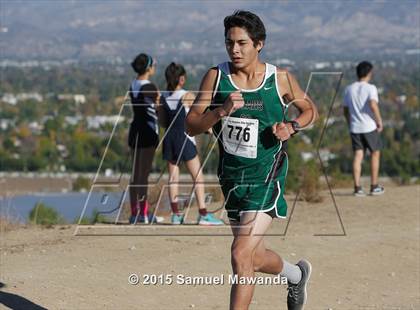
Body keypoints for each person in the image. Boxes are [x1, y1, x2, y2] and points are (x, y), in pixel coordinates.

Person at [185, 10, 318, 310]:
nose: (234, 49)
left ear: (259, 44)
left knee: (240, 254)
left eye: (242, 43)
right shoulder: (216, 76)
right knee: (252, 257)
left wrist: (291, 127)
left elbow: (311, 111)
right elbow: (190, 124)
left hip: (267, 176)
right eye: (229, 43)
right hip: (232, 179)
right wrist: (219, 112)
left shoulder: (279, 79)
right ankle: (296, 275)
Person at [160, 62, 223, 225]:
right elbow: (200, 117)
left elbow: (161, 121)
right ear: (182, 79)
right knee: (198, 177)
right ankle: (203, 214)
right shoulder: (187, 95)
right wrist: (210, 130)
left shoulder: (162, 96)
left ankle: (175, 215)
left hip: (169, 139)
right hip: (184, 139)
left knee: (173, 178)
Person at [127, 53, 163, 224]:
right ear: (148, 68)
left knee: (134, 175)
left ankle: (134, 213)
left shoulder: (133, 85)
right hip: (147, 133)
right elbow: (157, 111)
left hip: (135, 131)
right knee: (143, 176)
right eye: (153, 64)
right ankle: (145, 214)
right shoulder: (150, 87)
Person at [343, 61, 385, 196]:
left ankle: (357, 188)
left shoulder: (349, 89)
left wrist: (349, 122)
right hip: (369, 126)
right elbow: (373, 105)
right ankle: (374, 186)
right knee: (375, 153)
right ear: (369, 73)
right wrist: (379, 121)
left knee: (358, 156)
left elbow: (345, 110)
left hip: (355, 127)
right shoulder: (370, 88)